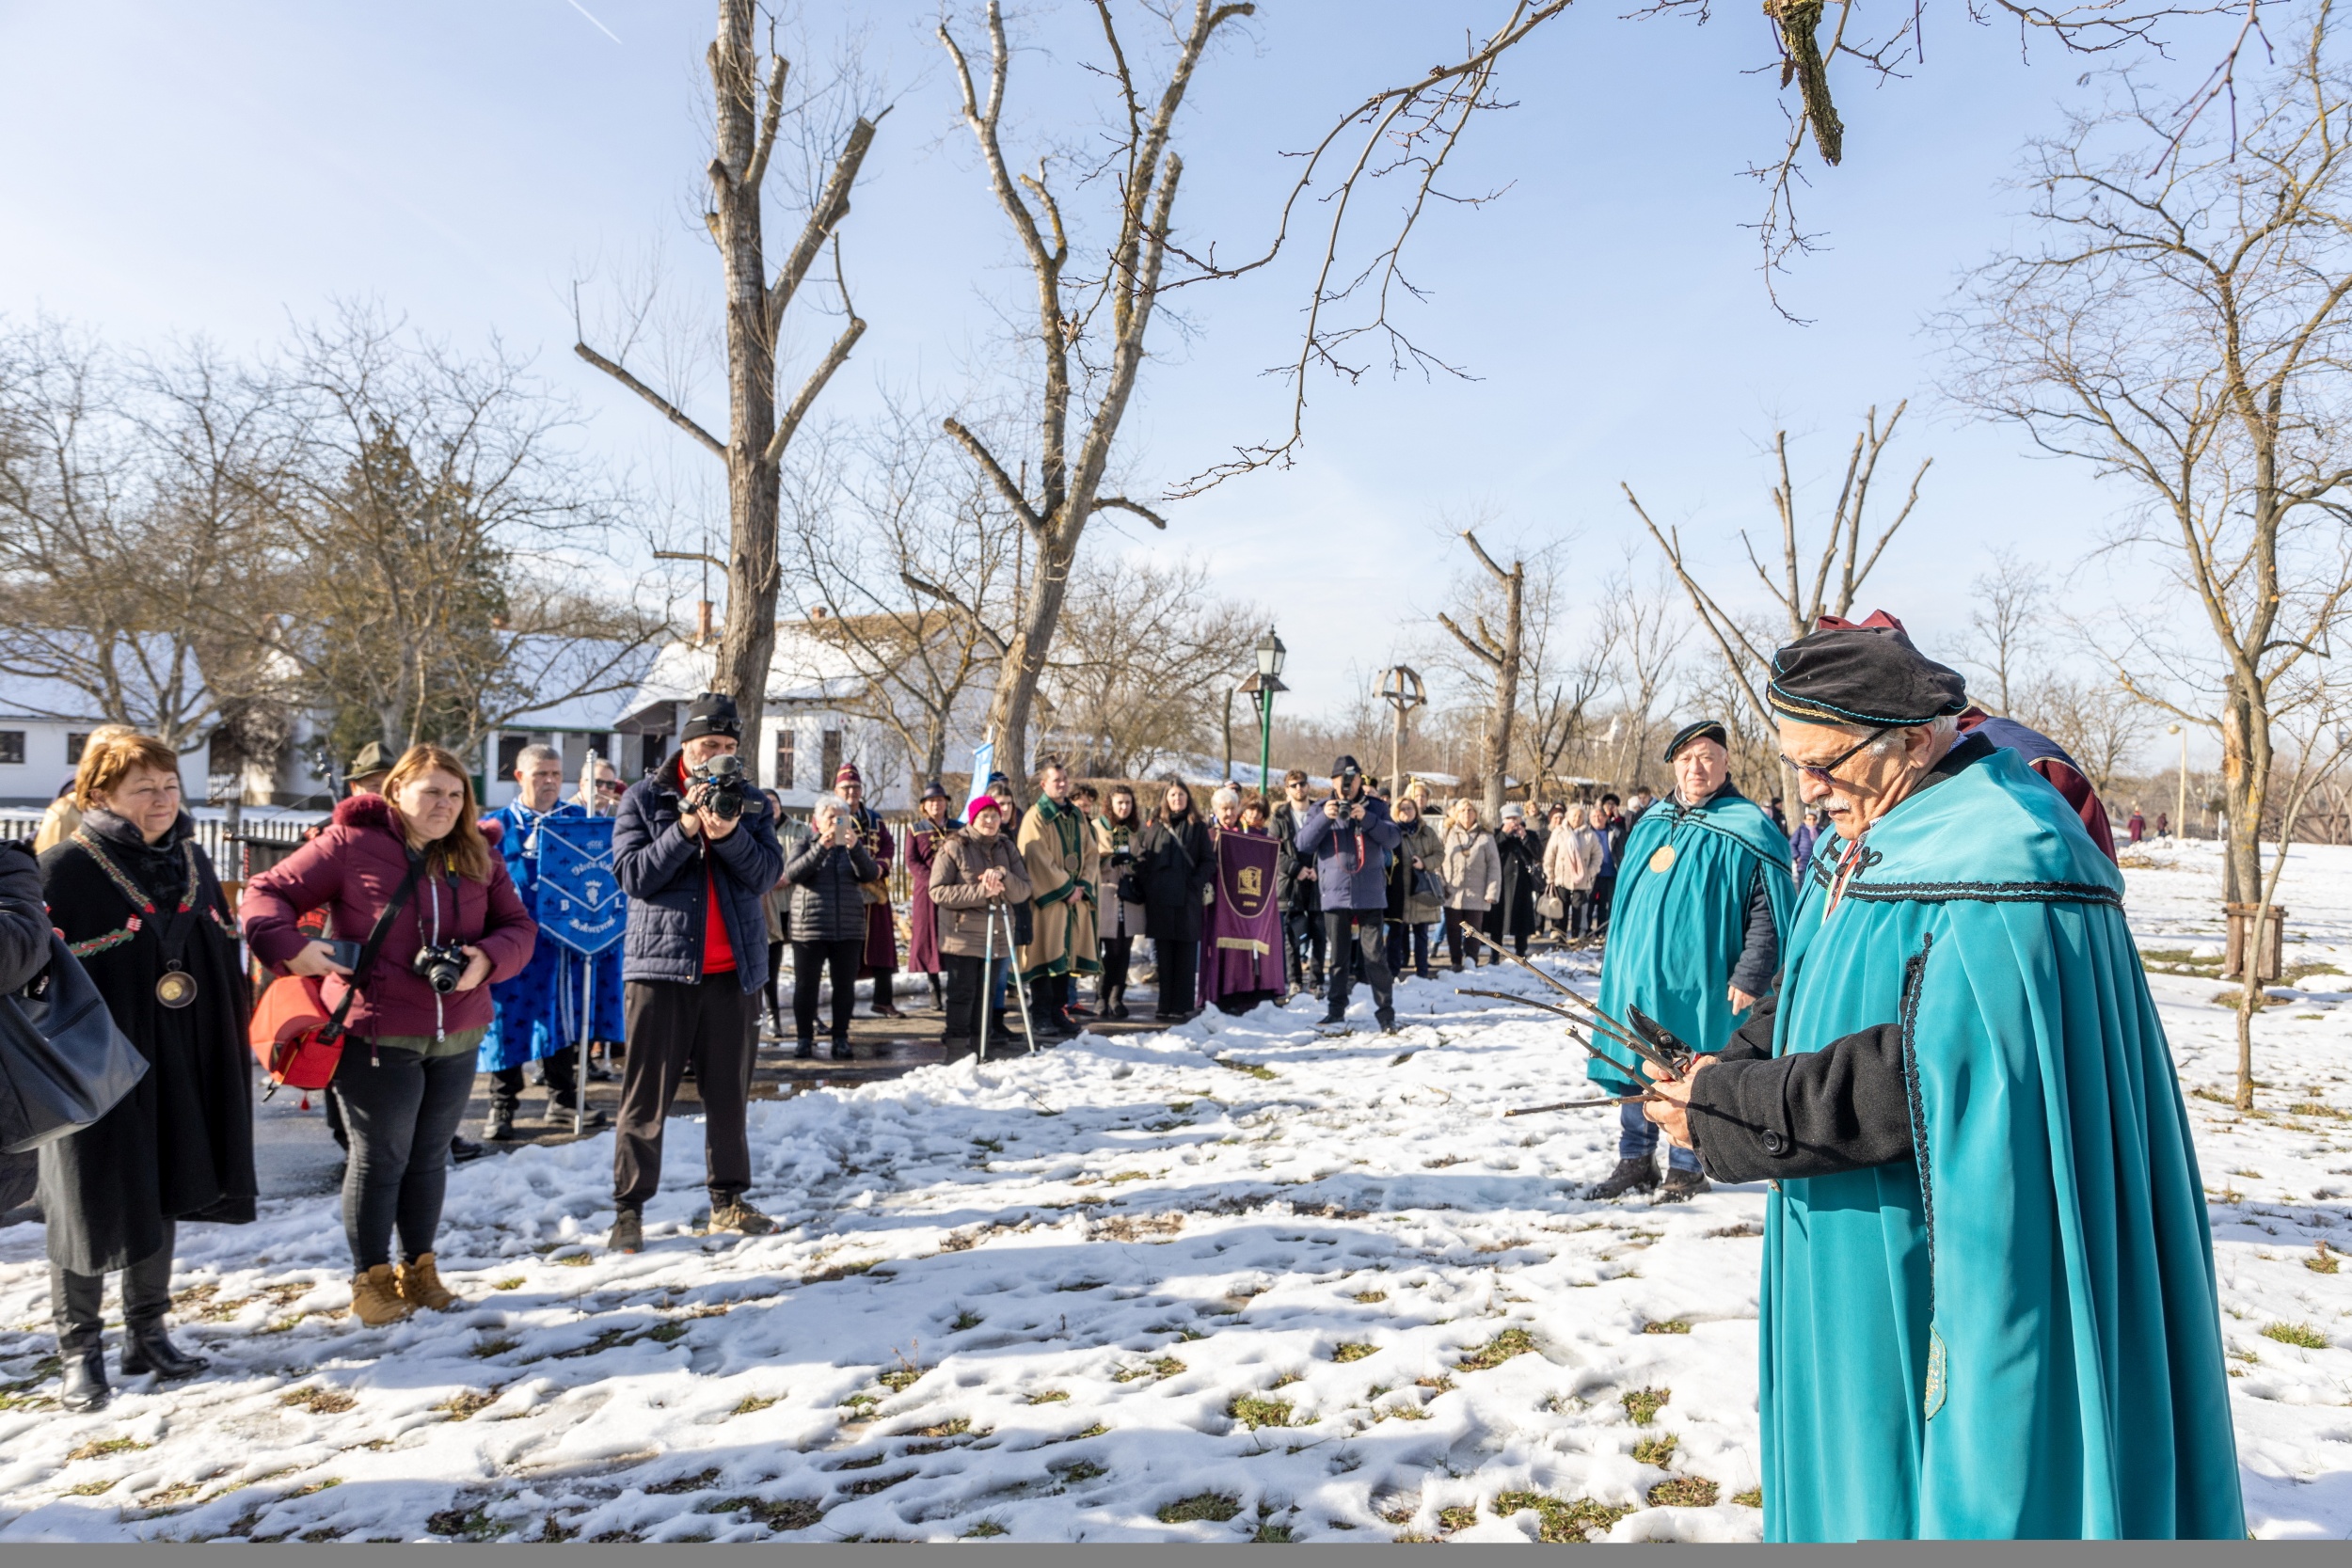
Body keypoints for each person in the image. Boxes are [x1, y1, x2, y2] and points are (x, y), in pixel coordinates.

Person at [1642, 611, 2242, 1542]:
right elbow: (1816, 975)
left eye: (1824, 764)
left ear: (1916, 740)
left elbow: (1916, 1078)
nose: (1808, 791)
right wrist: (1734, 1057)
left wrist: (1726, 1109)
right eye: (1794, 763)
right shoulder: (1883, 819)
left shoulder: (2006, 854)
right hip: (1846, 1224)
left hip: (1947, 1249)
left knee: (1930, 1486)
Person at [245, 744, 534, 1325]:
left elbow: (518, 926)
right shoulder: (350, 844)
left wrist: (486, 958)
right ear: (396, 791)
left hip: (457, 1032)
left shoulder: (478, 852)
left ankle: (420, 1270)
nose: (444, 805)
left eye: (455, 794)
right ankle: (370, 1280)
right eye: (431, 792)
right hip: (376, 1031)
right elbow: (266, 892)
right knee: (381, 1159)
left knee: (429, 1158)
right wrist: (293, 949)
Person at [37, 732, 256, 1410]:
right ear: (99, 793)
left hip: (180, 1053)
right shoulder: (64, 868)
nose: (162, 800)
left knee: (163, 1183)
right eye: (144, 789)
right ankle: (79, 1349)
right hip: (92, 1065)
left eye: (170, 786)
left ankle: (148, 1332)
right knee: (85, 1197)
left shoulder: (189, 857)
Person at [605, 693, 786, 1253]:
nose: (719, 754)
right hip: (660, 972)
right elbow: (633, 876)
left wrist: (728, 834)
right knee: (645, 1097)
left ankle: (727, 1201)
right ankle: (629, 1210)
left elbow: (765, 876)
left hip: (733, 972)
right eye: (709, 744)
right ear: (685, 745)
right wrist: (685, 829)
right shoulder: (645, 797)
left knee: (729, 1097)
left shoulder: (751, 802)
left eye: (729, 745)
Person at [1587, 720, 1793, 1203]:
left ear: (1725, 762)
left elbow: (1768, 912)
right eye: (1685, 759)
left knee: (1691, 1067)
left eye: (1706, 757)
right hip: (1639, 978)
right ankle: (1635, 1159)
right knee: (1635, 1062)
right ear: (1674, 766)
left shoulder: (1750, 827)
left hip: (1705, 983)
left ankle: (1687, 1166)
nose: (1695, 767)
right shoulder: (1652, 821)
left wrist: (1752, 973)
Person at [478, 744, 604, 1140]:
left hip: (563, 944)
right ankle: (502, 1104)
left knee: (561, 1018)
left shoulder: (579, 823)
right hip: (509, 942)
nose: (550, 781)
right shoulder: (492, 828)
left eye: (555, 774)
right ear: (520, 777)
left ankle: (562, 1099)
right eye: (540, 774)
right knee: (505, 1023)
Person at [1293, 756, 1401, 1031]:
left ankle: (1386, 1014)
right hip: (1335, 893)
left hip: (1370, 894)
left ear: (1360, 781)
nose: (1347, 785)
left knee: (1375, 956)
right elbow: (1302, 844)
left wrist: (1368, 819)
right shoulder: (1320, 809)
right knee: (1338, 958)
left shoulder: (1376, 807)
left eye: (1353, 780)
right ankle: (1335, 1010)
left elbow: (1393, 839)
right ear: (1333, 782)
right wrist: (1325, 819)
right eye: (1342, 780)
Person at [926, 793, 1034, 1059]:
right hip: (962, 935)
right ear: (973, 819)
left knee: (986, 995)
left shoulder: (1006, 846)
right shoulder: (954, 846)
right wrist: (981, 892)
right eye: (984, 816)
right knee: (962, 995)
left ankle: (980, 1050)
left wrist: (1004, 876)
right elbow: (938, 891)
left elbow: (1024, 890)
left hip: (996, 934)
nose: (990, 821)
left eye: (995, 816)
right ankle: (956, 1052)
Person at [784, 793, 882, 1061]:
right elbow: (794, 874)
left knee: (844, 987)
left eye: (841, 818)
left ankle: (841, 1037)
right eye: (830, 817)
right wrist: (821, 848)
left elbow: (870, 874)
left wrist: (856, 848)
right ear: (817, 820)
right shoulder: (804, 843)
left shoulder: (853, 848)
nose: (836, 823)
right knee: (806, 986)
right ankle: (804, 1038)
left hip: (847, 929)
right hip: (810, 928)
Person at [1016, 759, 1101, 1039]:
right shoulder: (1036, 816)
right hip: (1049, 901)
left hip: (1074, 901)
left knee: (1065, 959)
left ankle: (1058, 1012)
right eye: (1056, 780)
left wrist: (1082, 885)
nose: (1062, 784)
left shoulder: (1076, 815)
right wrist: (1065, 888)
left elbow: (1091, 853)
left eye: (1065, 779)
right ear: (1044, 784)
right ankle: (1041, 1014)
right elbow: (1036, 856)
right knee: (1045, 956)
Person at [1134, 779, 1213, 1020]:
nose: (1177, 799)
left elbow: (1208, 861)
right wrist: (1149, 885)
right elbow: (1144, 858)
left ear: (1188, 798)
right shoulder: (1155, 826)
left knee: (1185, 955)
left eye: (1181, 795)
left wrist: (1195, 883)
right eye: (1172, 795)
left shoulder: (1198, 827)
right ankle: (1164, 1004)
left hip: (1187, 900)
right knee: (1164, 955)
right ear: (1166, 799)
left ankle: (1181, 1005)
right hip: (1160, 900)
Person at [1201, 785, 1284, 1013]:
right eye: (1224, 809)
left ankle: (1241, 990)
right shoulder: (1209, 835)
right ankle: (1220, 992)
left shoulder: (1245, 835)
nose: (1228, 813)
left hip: (1239, 899)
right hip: (1218, 900)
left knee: (1240, 950)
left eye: (1232, 808)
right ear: (1216, 810)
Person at [828, 764, 901, 1020]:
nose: (852, 792)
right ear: (836, 790)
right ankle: (843, 1005)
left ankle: (883, 1001)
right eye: (846, 787)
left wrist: (879, 867)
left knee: (882, 947)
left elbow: (888, 845)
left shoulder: (875, 818)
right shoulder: (835, 817)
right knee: (846, 952)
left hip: (876, 891)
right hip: (847, 892)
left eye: (856, 787)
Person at [904, 781, 959, 1014]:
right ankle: (934, 988)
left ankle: (956, 987)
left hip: (954, 890)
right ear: (924, 806)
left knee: (955, 937)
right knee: (929, 938)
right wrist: (933, 881)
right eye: (931, 801)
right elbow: (912, 860)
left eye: (940, 800)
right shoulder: (916, 829)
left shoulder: (958, 828)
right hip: (926, 892)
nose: (936, 804)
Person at [1269, 769, 1325, 995]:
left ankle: (1316, 982)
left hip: (1318, 881)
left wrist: (1318, 869)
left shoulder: (1320, 812)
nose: (1299, 788)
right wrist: (1296, 869)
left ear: (1308, 786)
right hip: (1290, 883)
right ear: (1287, 790)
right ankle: (1294, 981)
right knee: (1292, 936)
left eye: (1302, 784)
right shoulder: (1280, 816)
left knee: (1319, 934)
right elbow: (1273, 850)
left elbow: (1328, 845)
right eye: (1294, 785)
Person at [1095, 784, 1148, 1019]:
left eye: (1128, 802)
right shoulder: (1097, 827)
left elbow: (1146, 856)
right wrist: (1110, 861)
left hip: (1130, 895)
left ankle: (1117, 997)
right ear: (1110, 804)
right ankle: (1101, 995)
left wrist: (1136, 863)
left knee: (1124, 949)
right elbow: (1089, 859)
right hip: (1107, 894)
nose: (1124, 807)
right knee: (1111, 949)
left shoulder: (1139, 829)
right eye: (1119, 803)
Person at [1386, 793, 1444, 980]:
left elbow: (1440, 854)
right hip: (1398, 891)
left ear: (1416, 811)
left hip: (1421, 890)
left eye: (1409, 808)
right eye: (1402, 809)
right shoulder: (1391, 832)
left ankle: (1422, 973)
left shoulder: (1427, 832)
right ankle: (1394, 972)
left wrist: (1424, 863)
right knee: (1396, 933)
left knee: (1421, 934)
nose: (1406, 812)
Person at [1439, 800, 1500, 971]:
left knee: (1473, 930)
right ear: (1456, 814)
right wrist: (1441, 884)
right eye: (1462, 810)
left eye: (1470, 810)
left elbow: (1494, 866)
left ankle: (1472, 960)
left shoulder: (1486, 836)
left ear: (1476, 813)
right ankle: (1455, 961)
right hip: (1451, 891)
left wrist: (1492, 891)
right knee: (1453, 928)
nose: (1466, 813)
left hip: (1476, 892)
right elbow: (1437, 861)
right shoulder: (1447, 834)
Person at [1488, 803, 1543, 958]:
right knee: (1498, 920)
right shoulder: (1495, 834)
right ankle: (1495, 953)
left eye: (1515, 818)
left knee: (1522, 919)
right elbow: (1491, 851)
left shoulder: (1530, 834)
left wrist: (1524, 838)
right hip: (1501, 882)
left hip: (1522, 883)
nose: (1513, 822)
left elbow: (1538, 854)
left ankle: (1521, 951)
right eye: (1509, 819)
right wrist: (1504, 835)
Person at [1545, 802, 1599, 946]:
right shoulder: (1559, 832)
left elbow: (1598, 855)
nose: (1577, 819)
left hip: (1581, 879)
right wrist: (1550, 875)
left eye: (1580, 816)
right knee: (1561, 909)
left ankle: (1575, 938)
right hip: (1561, 878)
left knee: (1577, 909)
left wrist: (1590, 872)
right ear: (1568, 816)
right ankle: (1561, 939)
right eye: (1574, 816)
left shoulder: (1589, 834)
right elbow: (1550, 855)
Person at [1590, 793, 1625, 936]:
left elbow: (1623, 843)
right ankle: (1588, 930)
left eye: (1600, 816)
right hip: (1593, 873)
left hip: (1611, 872)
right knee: (1591, 904)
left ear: (1605, 818)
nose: (1597, 819)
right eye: (1594, 816)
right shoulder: (1587, 832)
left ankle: (1607, 930)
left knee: (1610, 903)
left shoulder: (1614, 830)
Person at [1790, 805, 1820, 877]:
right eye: (1809, 819)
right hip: (1803, 862)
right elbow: (1791, 844)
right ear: (1805, 820)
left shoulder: (1820, 831)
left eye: (1814, 819)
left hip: (1817, 863)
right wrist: (1797, 856)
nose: (1812, 821)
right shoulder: (1800, 830)